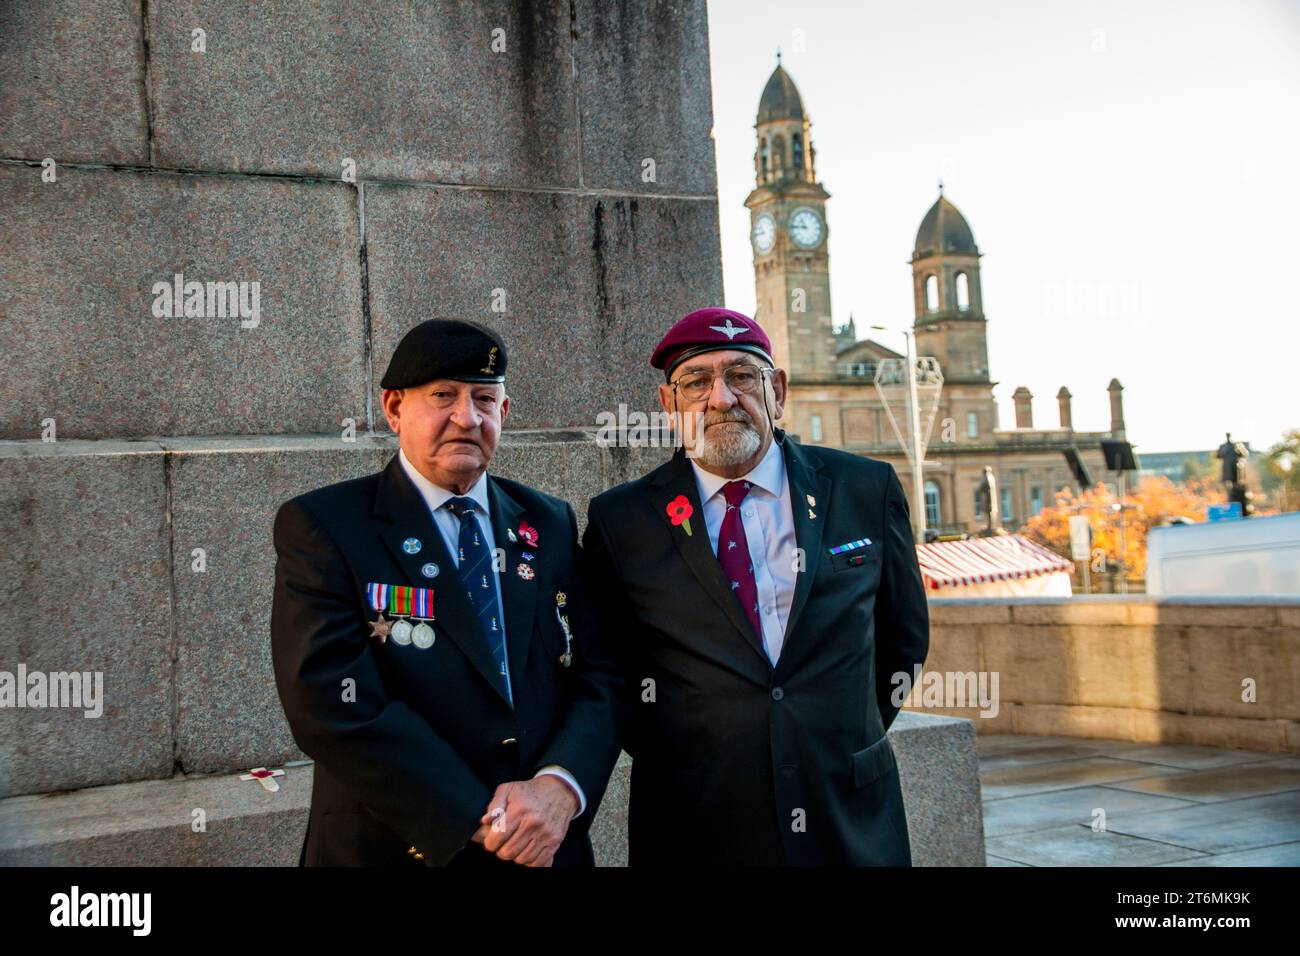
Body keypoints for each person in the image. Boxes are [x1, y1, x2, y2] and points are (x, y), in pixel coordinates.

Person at [580, 307, 930, 866]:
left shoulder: (865, 488)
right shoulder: (621, 521)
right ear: (670, 407)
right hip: (696, 824)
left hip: (848, 815)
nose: (721, 398)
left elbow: (903, 641)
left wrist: (836, 734)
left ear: (778, 391)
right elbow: (610, 670)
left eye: (743, 375)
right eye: (696, 382)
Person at [271, 319, 621, 867]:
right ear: (393, 409)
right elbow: (330, 703)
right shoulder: (327, 526)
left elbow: (602, 671)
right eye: (443, 396)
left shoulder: (548, 522)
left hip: (545, 847)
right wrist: (483, 819)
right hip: (402, 845)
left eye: (484, 398)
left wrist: (560, 787)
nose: (466, 417)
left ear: (503, 415)